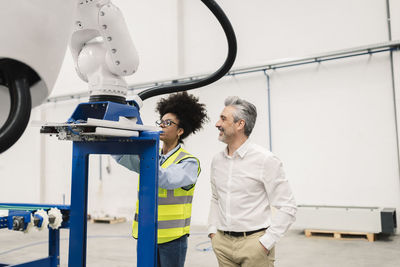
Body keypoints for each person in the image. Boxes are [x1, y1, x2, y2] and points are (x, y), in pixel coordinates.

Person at [114, 92, 208, 267]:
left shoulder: (188, 162)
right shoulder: (153, 156)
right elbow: (122, 157)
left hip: (172, 239)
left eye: (168, 123)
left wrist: (143, 151)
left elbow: (165, 179)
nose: (162, 126)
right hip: (147, 233)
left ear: (180, 131)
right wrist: (115, 131)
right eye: (161, 122)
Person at [208, 96, 297, 267]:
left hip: (254, 245)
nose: (217, 124)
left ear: (240, 124)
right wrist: (213, 232)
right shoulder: (217, 160)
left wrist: (265, 243)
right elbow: (215, 198)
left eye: (223, 118)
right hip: (222, 245)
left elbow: (288, 206)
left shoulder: (265, 160)